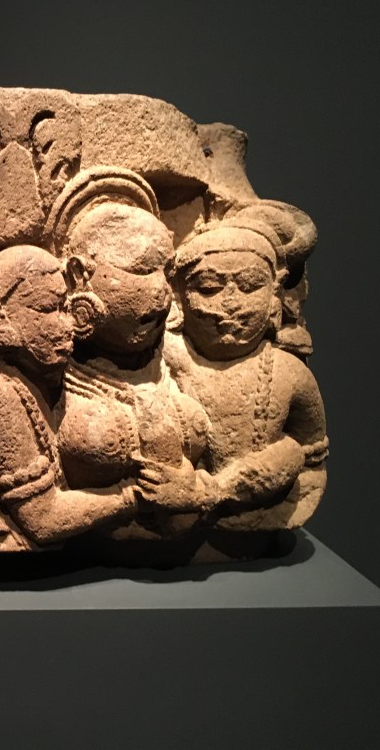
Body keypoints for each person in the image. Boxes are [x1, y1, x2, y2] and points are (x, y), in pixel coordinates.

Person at [45, 168, 212, 539]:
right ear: (79, 274)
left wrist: (198, 489)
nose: (161, 292)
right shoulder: (49, 361)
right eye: (141, 270)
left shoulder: (174, 355)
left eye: (166, 271)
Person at [0, 245, 139, 553]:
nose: (68, 325)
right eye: (49, 309)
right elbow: (44, 519)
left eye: (64, 307)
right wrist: (134, 497)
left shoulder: (52, 367)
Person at [158, 219, 328, 528]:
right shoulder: (164, 359)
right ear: (179, 295)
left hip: (257, 519)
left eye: (249, 285)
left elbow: (312, 459)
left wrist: (272, 471)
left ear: (275, 293)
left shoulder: (287, 371)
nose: (230, 303)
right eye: (209, 288)